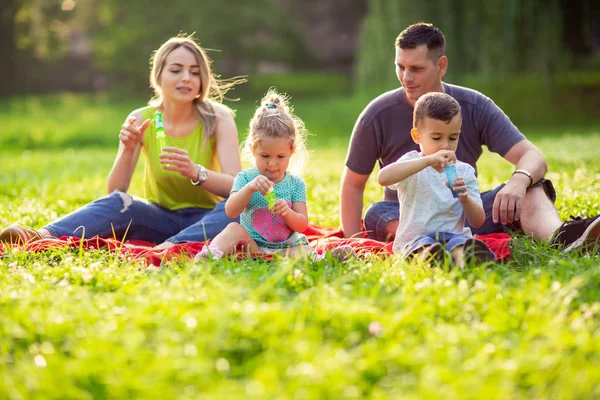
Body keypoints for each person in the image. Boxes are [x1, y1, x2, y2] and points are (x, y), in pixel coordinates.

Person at [340, 22, 600, 253]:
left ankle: (564, 239)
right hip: (407, 215)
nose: (406, 78)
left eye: (416, 68)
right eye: (401, 67)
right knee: (377, 213)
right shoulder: (377, 114)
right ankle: (428, 246)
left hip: (465, 213)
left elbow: (532, 157)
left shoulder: (474, 105)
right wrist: (352, 242)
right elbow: (353, 184)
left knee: (532, 185)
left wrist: (518, 182)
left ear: (441, 66)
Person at [0, 35, 245, 248]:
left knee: (236, 211)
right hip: (158, 218)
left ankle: (169, 247)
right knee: (121, 203)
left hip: (208, 218)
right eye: (176, 70)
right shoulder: (141, 118)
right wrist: (128, 150)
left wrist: (196, 172)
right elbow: (116, 191)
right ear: (158, 76)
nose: (187, 78)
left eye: (194, 72)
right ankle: (40, 236)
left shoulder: (218, 117)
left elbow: (236, 187)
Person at [197, 90, 354, 261]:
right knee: (233, 229)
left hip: (287, 247)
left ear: (291, 151)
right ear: (253, 150)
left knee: (303, 250)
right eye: (265, 156)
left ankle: (323, 259)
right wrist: (250, 189)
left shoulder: (295, 184)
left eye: (280, 157)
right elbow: (230, 210)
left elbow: (301, 225)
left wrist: (287, 213)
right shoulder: (245, 178)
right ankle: (210, 255)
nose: (272, 164)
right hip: (253, 246)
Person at [378, 92, 494, 268]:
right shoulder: (412, 163)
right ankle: (430, 259)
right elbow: (383, 178)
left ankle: (465, 261)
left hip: (453, 235)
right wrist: (427, 161)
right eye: (436, 138)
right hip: (416, 238)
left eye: (453, 137)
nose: (445, 145)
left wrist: (465, 199)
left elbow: (477, 221)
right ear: (417, 136)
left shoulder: (464, 171)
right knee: (423, 245)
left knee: (460, 243)